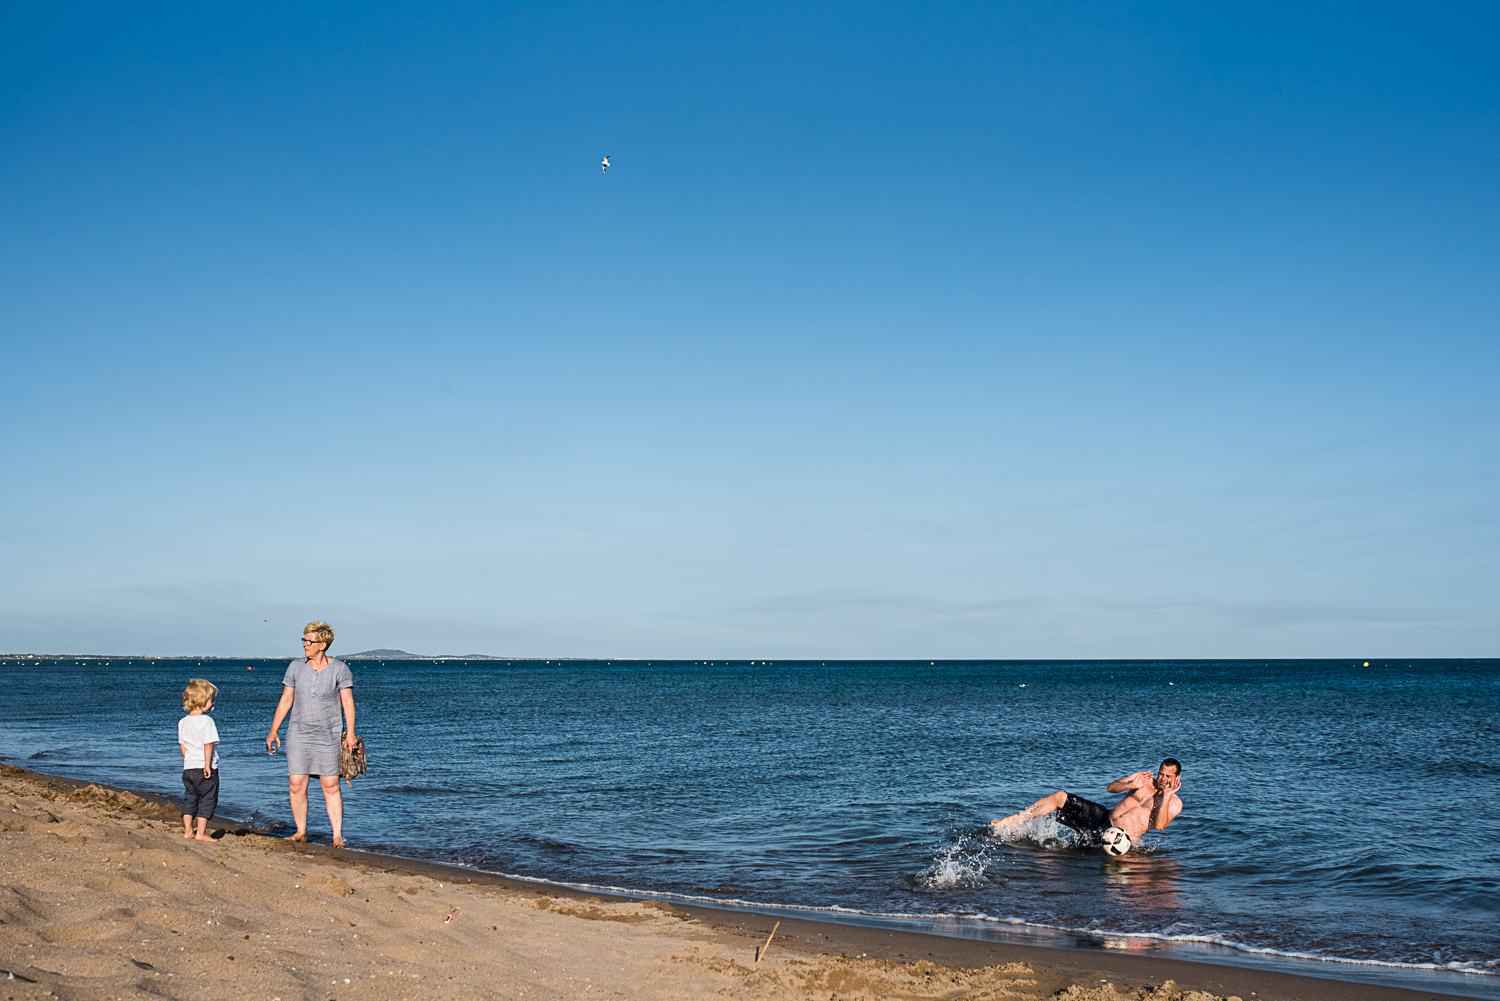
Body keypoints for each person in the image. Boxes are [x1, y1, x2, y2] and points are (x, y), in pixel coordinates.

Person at [266, 621, 357, 846]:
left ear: (323, 645)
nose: (305, 645)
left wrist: (351, 733)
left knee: (331, 785)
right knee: (297, 784)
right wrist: (273, 730)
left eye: (309, 641)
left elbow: (347, 702)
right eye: (304, 640)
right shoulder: (295, 667)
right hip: (298, 734)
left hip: (329, 735)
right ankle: (301, 831)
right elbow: (286, 699)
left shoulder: (340, 669)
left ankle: (337, 835)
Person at [991, 758, 1183, 846]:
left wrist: (1165, 796)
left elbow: (1159, 826)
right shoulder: (1144, 779)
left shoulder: (1174, 803)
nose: (1163, 778)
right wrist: (1131, 784)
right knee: (1060, 797)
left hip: (1119, 842)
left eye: (1168, 776)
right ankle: (1013, 820)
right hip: (1102, 818)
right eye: (1161, 773)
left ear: (1176, 778)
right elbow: (1111, 787)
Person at [178, 678, 221, 842]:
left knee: (190, 797)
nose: (213, 703)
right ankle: (200, 833)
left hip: (188, 767)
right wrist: (207, 765)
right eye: (211, 700)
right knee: (207, 798)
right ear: (202, 701)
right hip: (204, 767)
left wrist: (189, 761)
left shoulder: (183, 722)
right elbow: (208, 744)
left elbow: (183, 746)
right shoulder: (206, 721)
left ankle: (188, 830)